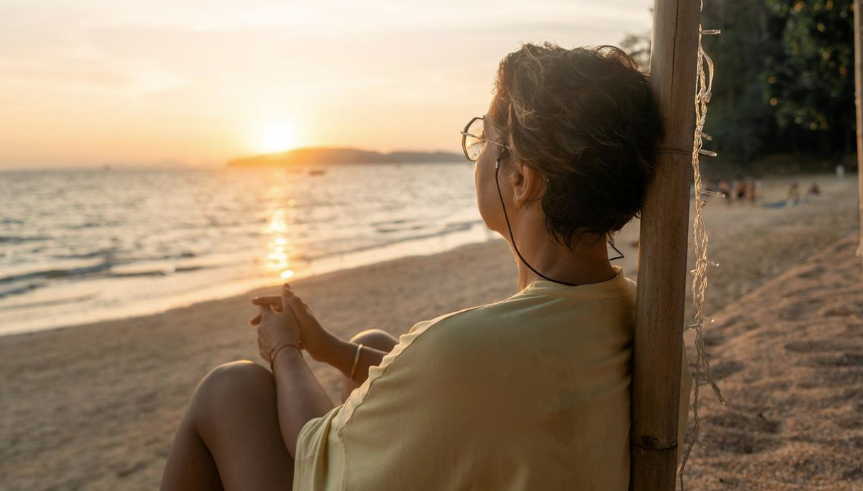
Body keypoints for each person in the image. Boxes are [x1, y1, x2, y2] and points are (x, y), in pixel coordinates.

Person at [160, 43, 693, 491]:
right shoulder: (626, 312)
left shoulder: (465, 349)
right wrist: (327, 348)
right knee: (370, 343)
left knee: (230, 389)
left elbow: (313, 449)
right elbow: (464, 391)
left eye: (484, 139)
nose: (477, 156)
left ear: (521, 181)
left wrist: (285, 350)